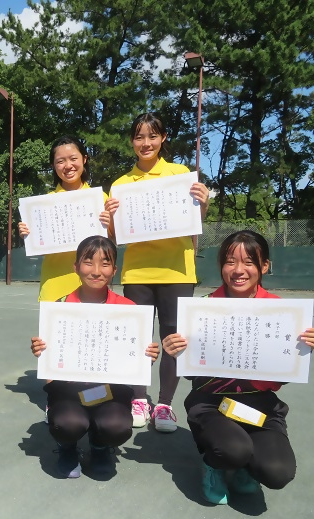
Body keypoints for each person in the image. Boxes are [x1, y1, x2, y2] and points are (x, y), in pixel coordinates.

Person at [161, 230, 314, 504]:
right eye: (230, 261)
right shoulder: (202, 309)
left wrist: (302, 349)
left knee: (277, 472)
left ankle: (250, 468)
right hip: (211, 402)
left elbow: (281, 378)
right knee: (232, 450)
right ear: (221, 265)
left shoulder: (282, 312)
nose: (238, 270)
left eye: (248, 262)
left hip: (260, 405)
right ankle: (213, 463)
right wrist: (176, 353)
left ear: (265, 266)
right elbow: (191, 373)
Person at [109, 112, 210, 433]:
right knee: (138, 338)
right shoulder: (121, 185)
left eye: (152, 136)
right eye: (139, 137)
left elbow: (196, 220)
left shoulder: (181, 175)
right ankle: (139, 399)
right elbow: (112, 237)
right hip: (137, 272)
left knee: (173, 340)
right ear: (131, 142)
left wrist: (203, 203)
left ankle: (164, 404)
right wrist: (110, 217)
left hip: (178, 271)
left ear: (163, 138)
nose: (146, 143)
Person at [30, 236, 160, 478]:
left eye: (105, 263)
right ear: (76, 267)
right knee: (67, 423)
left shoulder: (130, 310)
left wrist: (147, 356)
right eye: (88, 262)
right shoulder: (59, 307)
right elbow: (50, 360)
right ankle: (67, 447)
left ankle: (100, 447)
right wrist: (41, 351)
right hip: (68, 391)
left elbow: (135, 358)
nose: (96, 271)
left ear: (115, 270)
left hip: (110, 392)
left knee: (117, 426)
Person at [18, 136, 116, 302]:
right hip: (55, 284)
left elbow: (113, 241)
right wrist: (27, 234)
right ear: (53, 166)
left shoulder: (101, 198)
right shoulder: (42, 204)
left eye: (73, 159)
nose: (68, 166)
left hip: (93, 284)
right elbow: (38, 246)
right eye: (60, 161)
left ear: (84, 159)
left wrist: (110, 224)